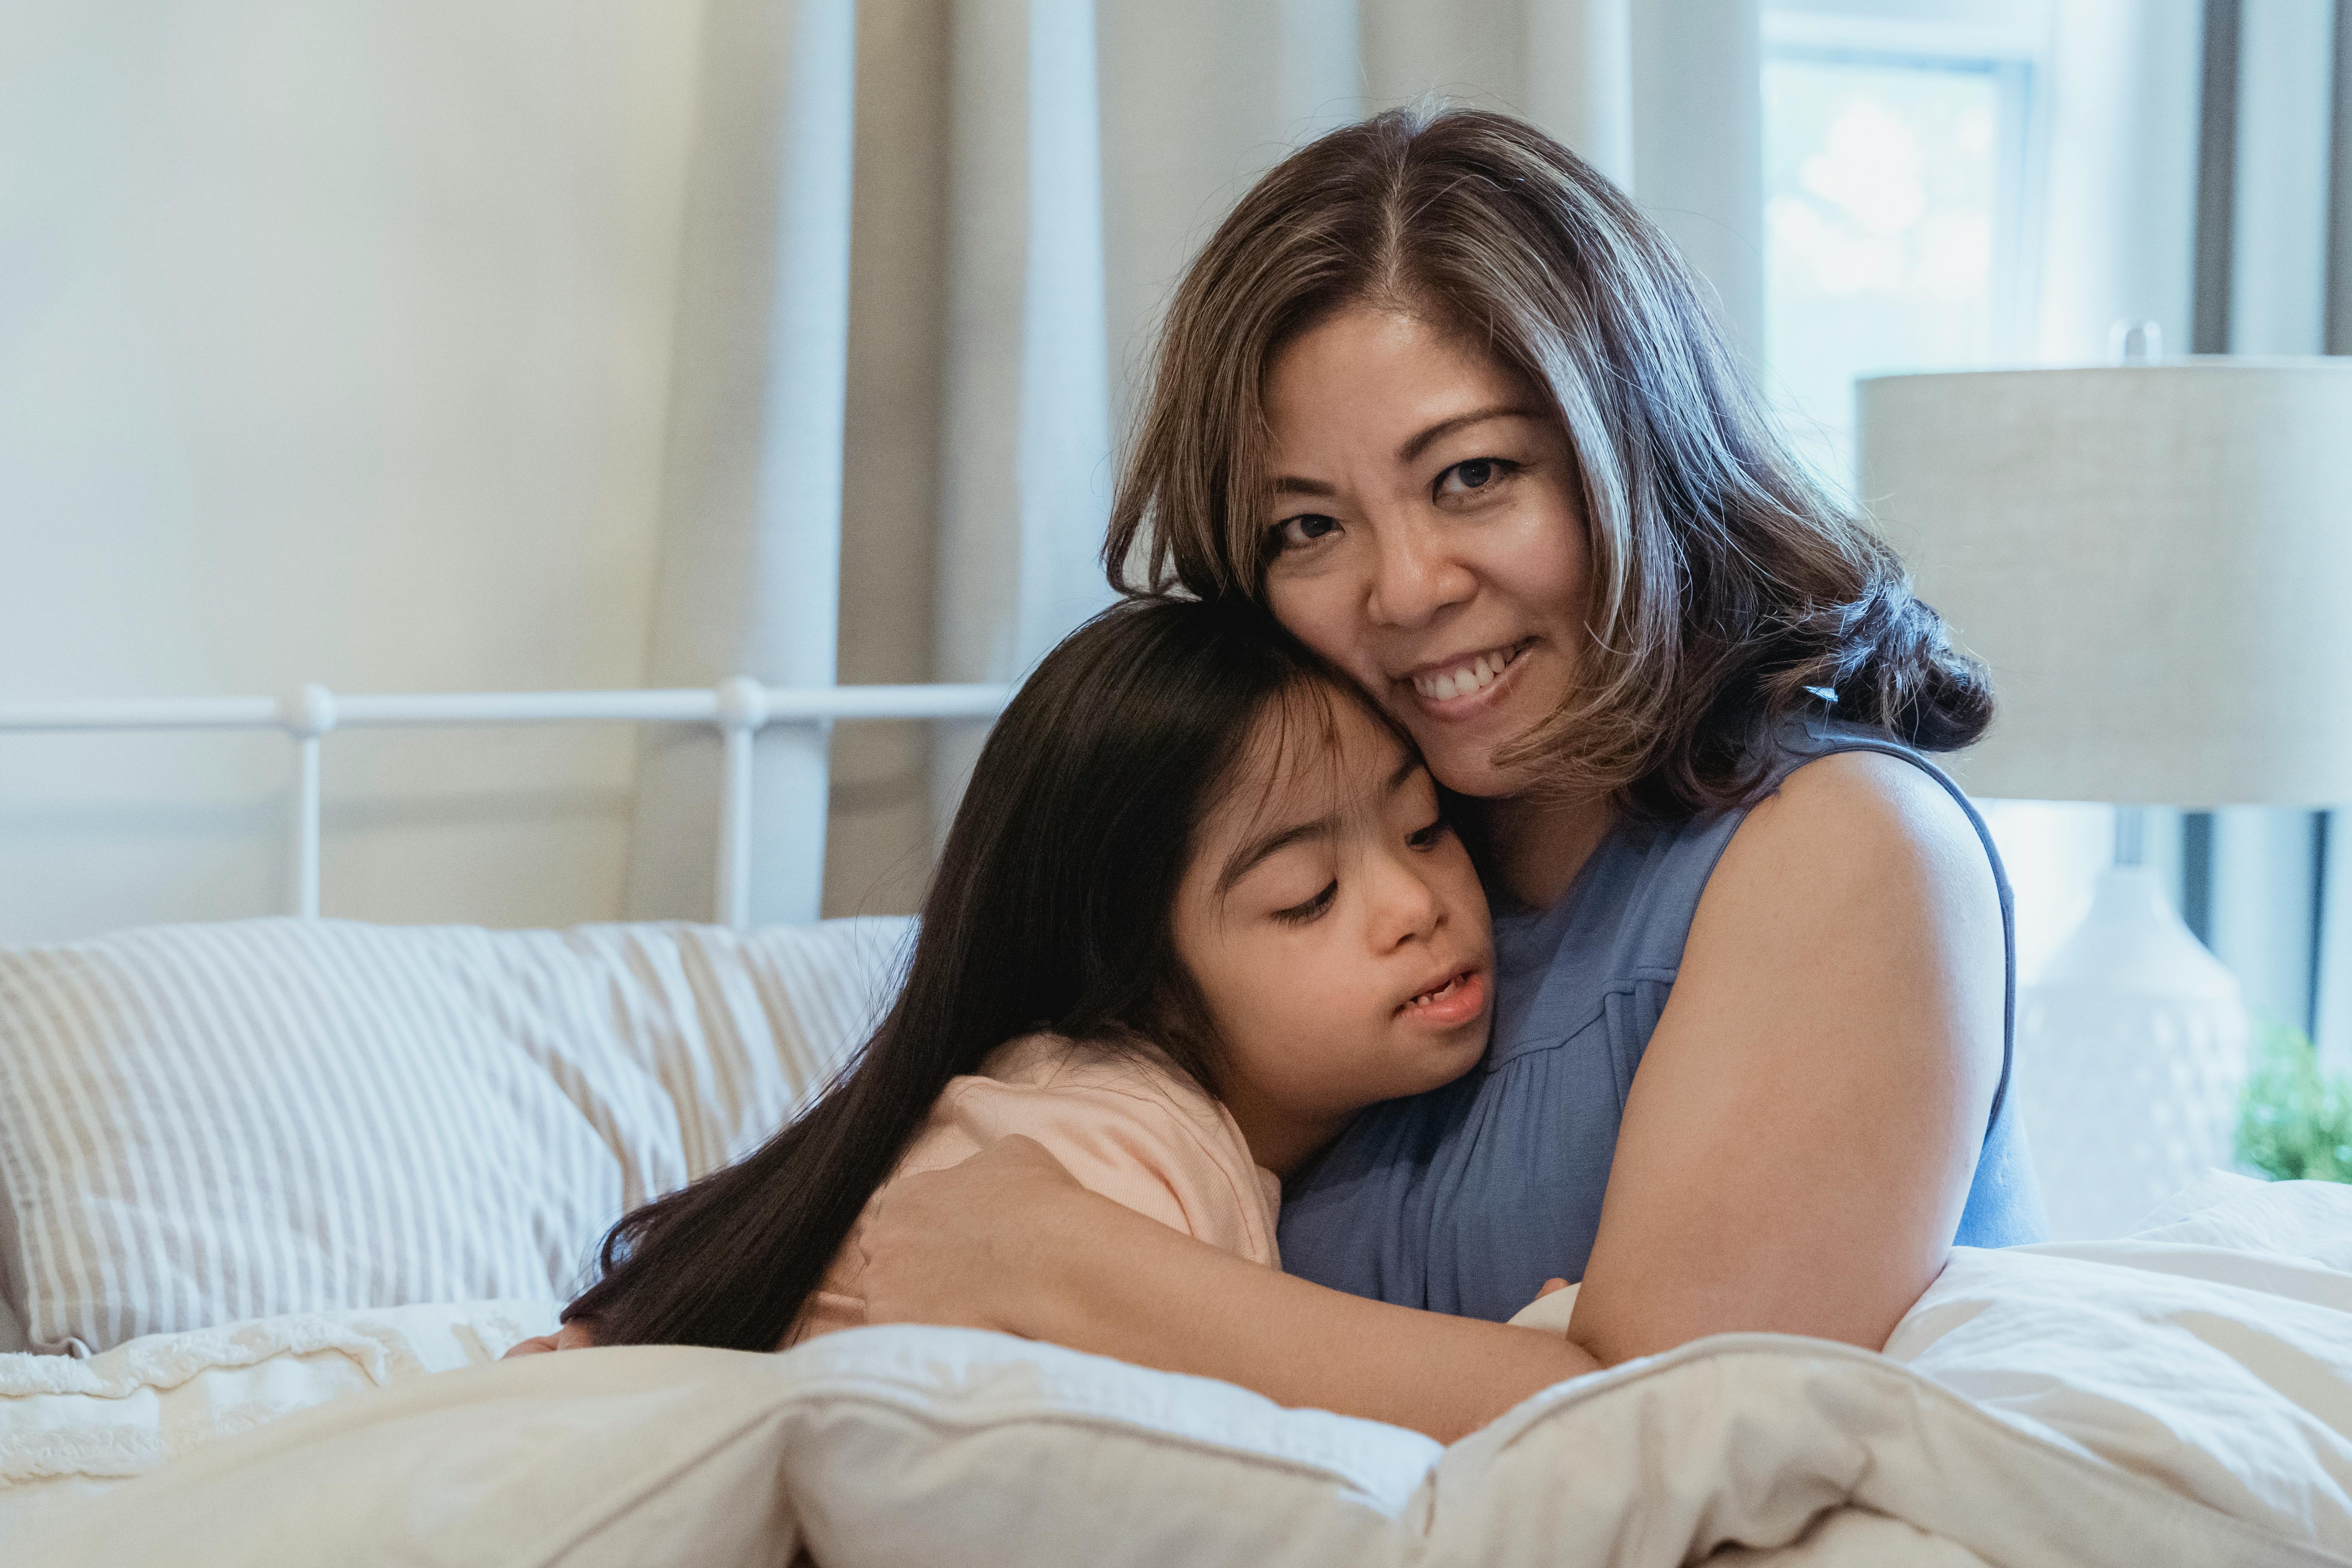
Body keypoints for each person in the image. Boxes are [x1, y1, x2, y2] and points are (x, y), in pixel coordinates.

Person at [846, 105, 2047, 1442]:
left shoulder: (1843, 847)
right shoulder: (1339, 883)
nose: (1406, 590)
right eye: (1309, 526)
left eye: (1473, 475)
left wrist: (1058, 1261)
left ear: (1634, 458)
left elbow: (1691, 1439)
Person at [511, 595, 1511, 1356]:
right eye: (1309, 893)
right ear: (1140, 978)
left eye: (1423, 828)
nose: (1414, 905)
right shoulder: (1101, 1149)